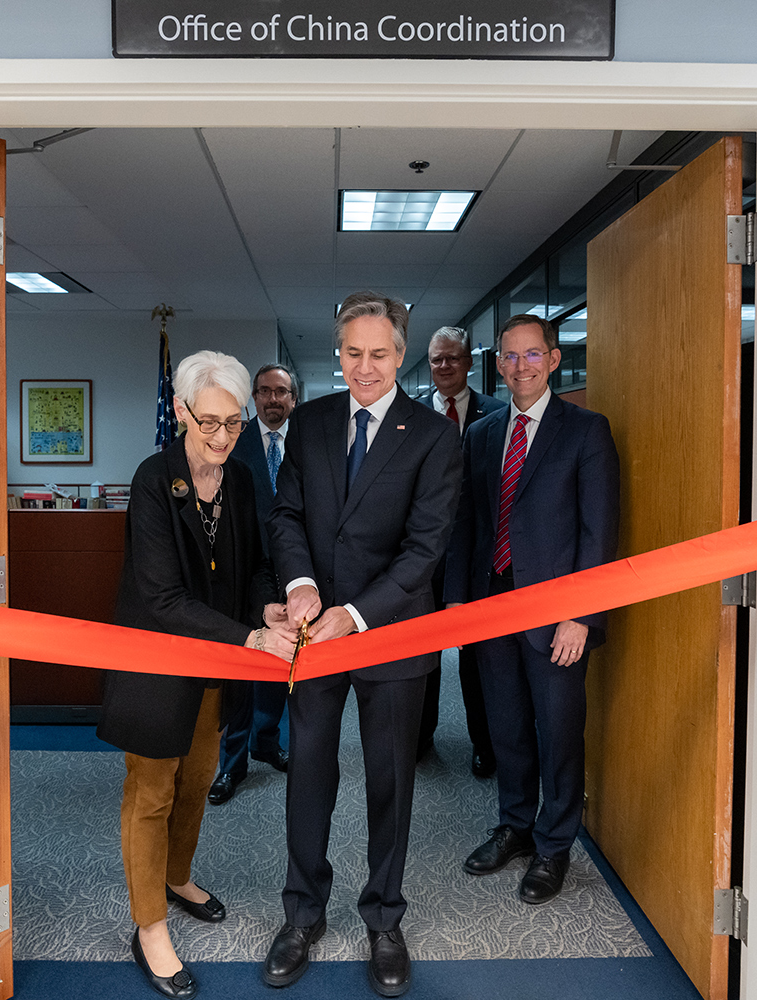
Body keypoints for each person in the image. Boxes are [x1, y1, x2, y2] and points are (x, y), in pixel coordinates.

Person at [263, 291, 462, 998]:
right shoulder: (310, 423)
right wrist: (301, 583)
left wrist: (354, 610)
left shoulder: (435, 437)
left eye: (379, 354)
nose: (365, 367)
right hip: (313, 637)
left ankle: (383, 918)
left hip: (390, 633)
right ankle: (302, 914)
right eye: (353, 353)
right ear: (338, 353)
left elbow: (425, 549)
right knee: (309, 776)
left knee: (390, 781)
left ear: (401, 355)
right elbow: (286, 515)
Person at [96, 350, 295, 999]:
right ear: (181, 412)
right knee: (151, 793)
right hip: (157, 667)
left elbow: (256, 564)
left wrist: (265, 603)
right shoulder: (154, 479)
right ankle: (148, 926)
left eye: (233, 424)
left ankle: (176, 877)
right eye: (208, 422)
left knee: (199, 778)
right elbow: (162, 598)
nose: (220, 437)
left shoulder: (238, 479)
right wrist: (252, 635)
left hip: (215, 663)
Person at [444, 314, 619, 905]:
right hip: (492, 607)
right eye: (510, 357)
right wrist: (460, 605)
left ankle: (553, 845)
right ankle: (515, 825)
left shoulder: (586, 431)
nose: (521, 366)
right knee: (508, 725)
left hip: (557, 615)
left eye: (532, 355)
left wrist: (582, 616)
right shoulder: (483, 434)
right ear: (499, 365)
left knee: (559, 730)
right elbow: (468, 524)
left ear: (552, 359)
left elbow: (598, 534)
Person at [208, 363, 298, 805]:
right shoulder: (232, 444)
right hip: (243, 575)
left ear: (292, 399)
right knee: (243, 672)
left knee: (282, 668)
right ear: (253, 400)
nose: (272, 399)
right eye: (264, 392)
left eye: (281, 392)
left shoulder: (307, 442)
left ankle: (267, 741)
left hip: (292, 576)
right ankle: (232, 763)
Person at [417, 326, 506, 777]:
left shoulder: (499, 413)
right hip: (423, 557)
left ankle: (483, 742)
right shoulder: (409, 417)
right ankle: (421, 735)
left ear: (470, 362)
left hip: (476, 555)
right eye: (436, 360)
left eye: (453, 358)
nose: (444, 367)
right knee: (423, 653)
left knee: (478, 658)